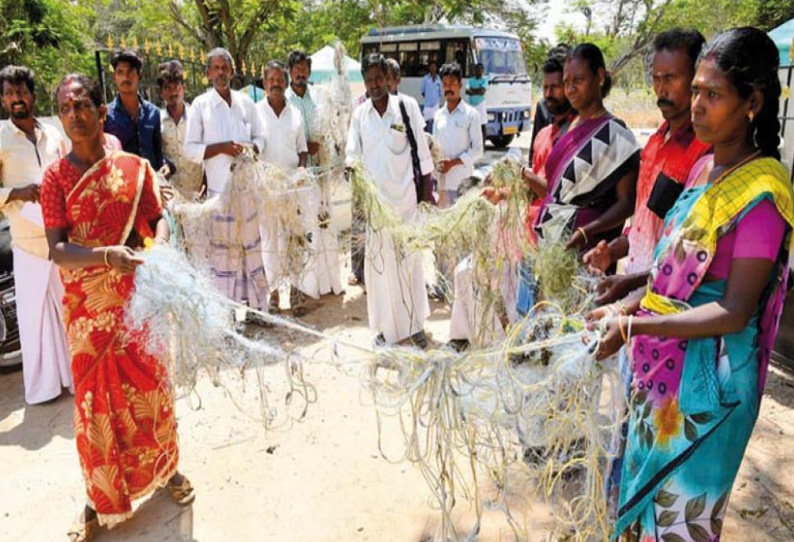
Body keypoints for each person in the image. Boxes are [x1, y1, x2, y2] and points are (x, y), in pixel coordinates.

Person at [588, 28, 794, 542]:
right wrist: (629, 292)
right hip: (659, 375)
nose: (696, 106)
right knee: (641, 518)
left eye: (713, 94)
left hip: (707, 394)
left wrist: (634, 326)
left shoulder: (763, 194)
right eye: (696, 91)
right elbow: (674, 275)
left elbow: (733, 310)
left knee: (680, 521)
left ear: (753, 103)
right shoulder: (704, 167)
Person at [40, 73, 193, 542]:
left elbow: (156, 218)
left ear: (101, 110)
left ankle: (167, 470)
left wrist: (159, 249)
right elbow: (58, 250)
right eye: (66, 108)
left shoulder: (131, 165)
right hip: (88, 313)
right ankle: (97, 499)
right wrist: (106, 256)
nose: (74, 115)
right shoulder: (55, 179)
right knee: (93, 407)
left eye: (82, 105)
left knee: (152, 390)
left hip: (136, 301)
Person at [584, 30, 711, 304]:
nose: (661, 89)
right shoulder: (654, 143)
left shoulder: (706, 156)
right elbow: (644, 225)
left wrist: (631, 284)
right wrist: (612, 252)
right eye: (656, 78)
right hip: (632, 291)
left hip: (669, 304)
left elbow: (689, 254)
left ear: (697, 78)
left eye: (671, 78)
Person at [346, 53, 433, 347]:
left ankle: (414, 326)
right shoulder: (359, 116)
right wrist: (351, 170)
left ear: (388, 78)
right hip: (376, 212)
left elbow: (424, 158)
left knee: (409, 266)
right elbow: (352, 155)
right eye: (369, 80)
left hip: (406, 207)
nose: (375, 85)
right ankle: (383, 329)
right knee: (379, 271)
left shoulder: (406, 108)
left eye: (379, 78)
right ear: (364, 82)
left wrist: (423, 205)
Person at [0, 65, 72, 404]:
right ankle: (43, 390)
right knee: (34, 319)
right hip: (27, 243)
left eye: (22, 92)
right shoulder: (1, 137)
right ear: (3, 99)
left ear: (32, 96)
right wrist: (18, 192)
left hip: (60, 239)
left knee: (67, 310)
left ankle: (73, 378)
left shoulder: (53, 133)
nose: (17, 99)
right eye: (10, 93)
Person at [183, 47, 268, 312]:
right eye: (216, 68)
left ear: (232, 71)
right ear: (208, 73)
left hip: (247, 192)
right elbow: (190, 149)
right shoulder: (201, 105)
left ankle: (257, 308)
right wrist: (221, 148)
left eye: (225, 68)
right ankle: (226, 313)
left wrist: (252, 149)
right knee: (223, 254)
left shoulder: (245, 104)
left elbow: (261, 137)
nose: (221, 73)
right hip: (219, 195)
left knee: (251, 248)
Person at [257, 60, 309, 316]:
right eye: (271, 79)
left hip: (291, 189)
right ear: (264, 83)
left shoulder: (296, 114)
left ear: (286, 84)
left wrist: (300, 170)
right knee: (269, 243)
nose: (276, 83)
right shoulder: (255, 114)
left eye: (280, 79)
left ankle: (297, 292)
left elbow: (303, 151)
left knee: (294, 239)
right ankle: (274, 294)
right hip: (267, 191)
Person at [104, 49, 165, 173]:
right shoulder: (106, 116)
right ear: (114, 77)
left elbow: (158, 153)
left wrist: (165, 166)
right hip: (121, 185)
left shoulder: (153, 113)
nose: (125, 78)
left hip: (151, 183)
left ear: (139, 76)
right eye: (120, 72)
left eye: (130, 72)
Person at [433, 62, 483, 207]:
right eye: (445, 84)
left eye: (452, 83)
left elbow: (478, 151)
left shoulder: (471, 115)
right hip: (442, 185)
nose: (448, 88)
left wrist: (453, 163)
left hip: (463, 185)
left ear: (460, 85)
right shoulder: (438, 116)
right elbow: (435, 149)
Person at [157, 60, 204, 199]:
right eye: (167, 88)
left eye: (176, 86)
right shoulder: (157, 120)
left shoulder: (197, 118)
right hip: (171, 197)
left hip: (197, 194)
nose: (173, 92)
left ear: (183, 87)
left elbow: (207, 150)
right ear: (161, 92)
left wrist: (207, 180)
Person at [528, 44, 570, 165]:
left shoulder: (580, 119)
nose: (548, 94)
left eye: (555, 87)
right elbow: (534, 154)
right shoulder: (543, 106)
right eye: (545, 87)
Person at [286, 50, 321, 166]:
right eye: (297, 69)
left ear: (309, 72)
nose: (301, 74)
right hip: (296, 170)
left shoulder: (318, 96)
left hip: (320, 169)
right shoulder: (284, 101)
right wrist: (304, 146)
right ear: (290, 72)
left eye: (304, 69)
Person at [465, 62, 488, 141]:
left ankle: (483, 145)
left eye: (481, 69)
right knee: (471, 125)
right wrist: (478, 89)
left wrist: (472, 91)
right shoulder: (471, 80)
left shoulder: (485, 79)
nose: (479, 71)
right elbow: (467, 91)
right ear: (475, 70)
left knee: (482, 125)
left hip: (480, 104)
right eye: (477, 69)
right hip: (472, 105)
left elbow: (482, 91)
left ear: (483, 71)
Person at [420, 60, 442, 133]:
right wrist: (428, 98)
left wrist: (436, 99)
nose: (433, 68)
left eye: (434, 66)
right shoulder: (425, 79)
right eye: (431, 66)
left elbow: (440, 92)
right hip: (427, 105)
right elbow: (422, 91)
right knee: (425, 123)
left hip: (436, 105)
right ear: (429, 68)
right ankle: (425, 137)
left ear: (436, 68)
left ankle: (434, 138)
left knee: (436, 122)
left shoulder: (439, 79)